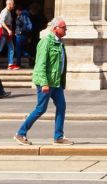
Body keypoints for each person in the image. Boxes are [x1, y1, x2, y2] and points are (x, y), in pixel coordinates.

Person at [14, 18, 71, 146]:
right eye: (64, 27)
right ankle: (20, 133)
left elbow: (60, 65)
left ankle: (58, 136)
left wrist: (62, 82)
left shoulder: (60, 43)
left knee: (61, 107)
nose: (66, 30)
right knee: (40, 109)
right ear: (55, 28)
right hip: (46, 82)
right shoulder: (46, 42)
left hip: (56, 83)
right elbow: (40, 64)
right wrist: (44, 83)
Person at [0, 0, 19, 69]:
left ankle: (10, 64)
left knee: (11, 47)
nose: (14, 5)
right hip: (4, 31)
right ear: (9, 4)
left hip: (7, 32)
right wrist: (8, 30)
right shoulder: (5, 12)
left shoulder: (8, 12)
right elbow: (2, 22)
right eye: (13, 4)